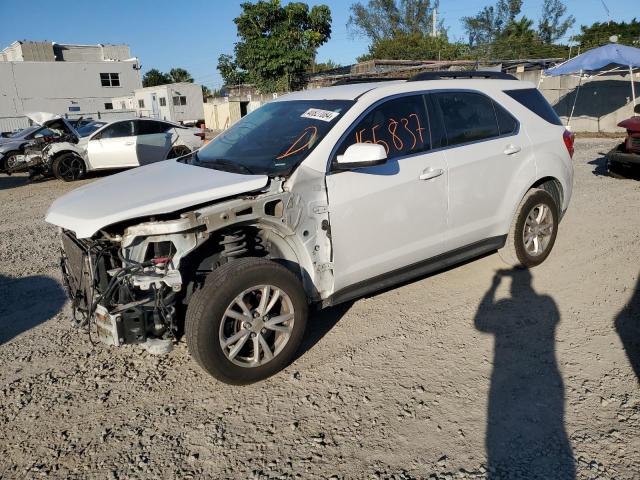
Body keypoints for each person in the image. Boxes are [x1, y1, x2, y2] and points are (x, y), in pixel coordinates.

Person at [474, 269, 575, 479]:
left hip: (507, 375)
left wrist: (493, 287)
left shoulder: (505, 306)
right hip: (547, 375)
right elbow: (555, 318)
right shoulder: (546, 302)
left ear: (512, 288)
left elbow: (480, 322)